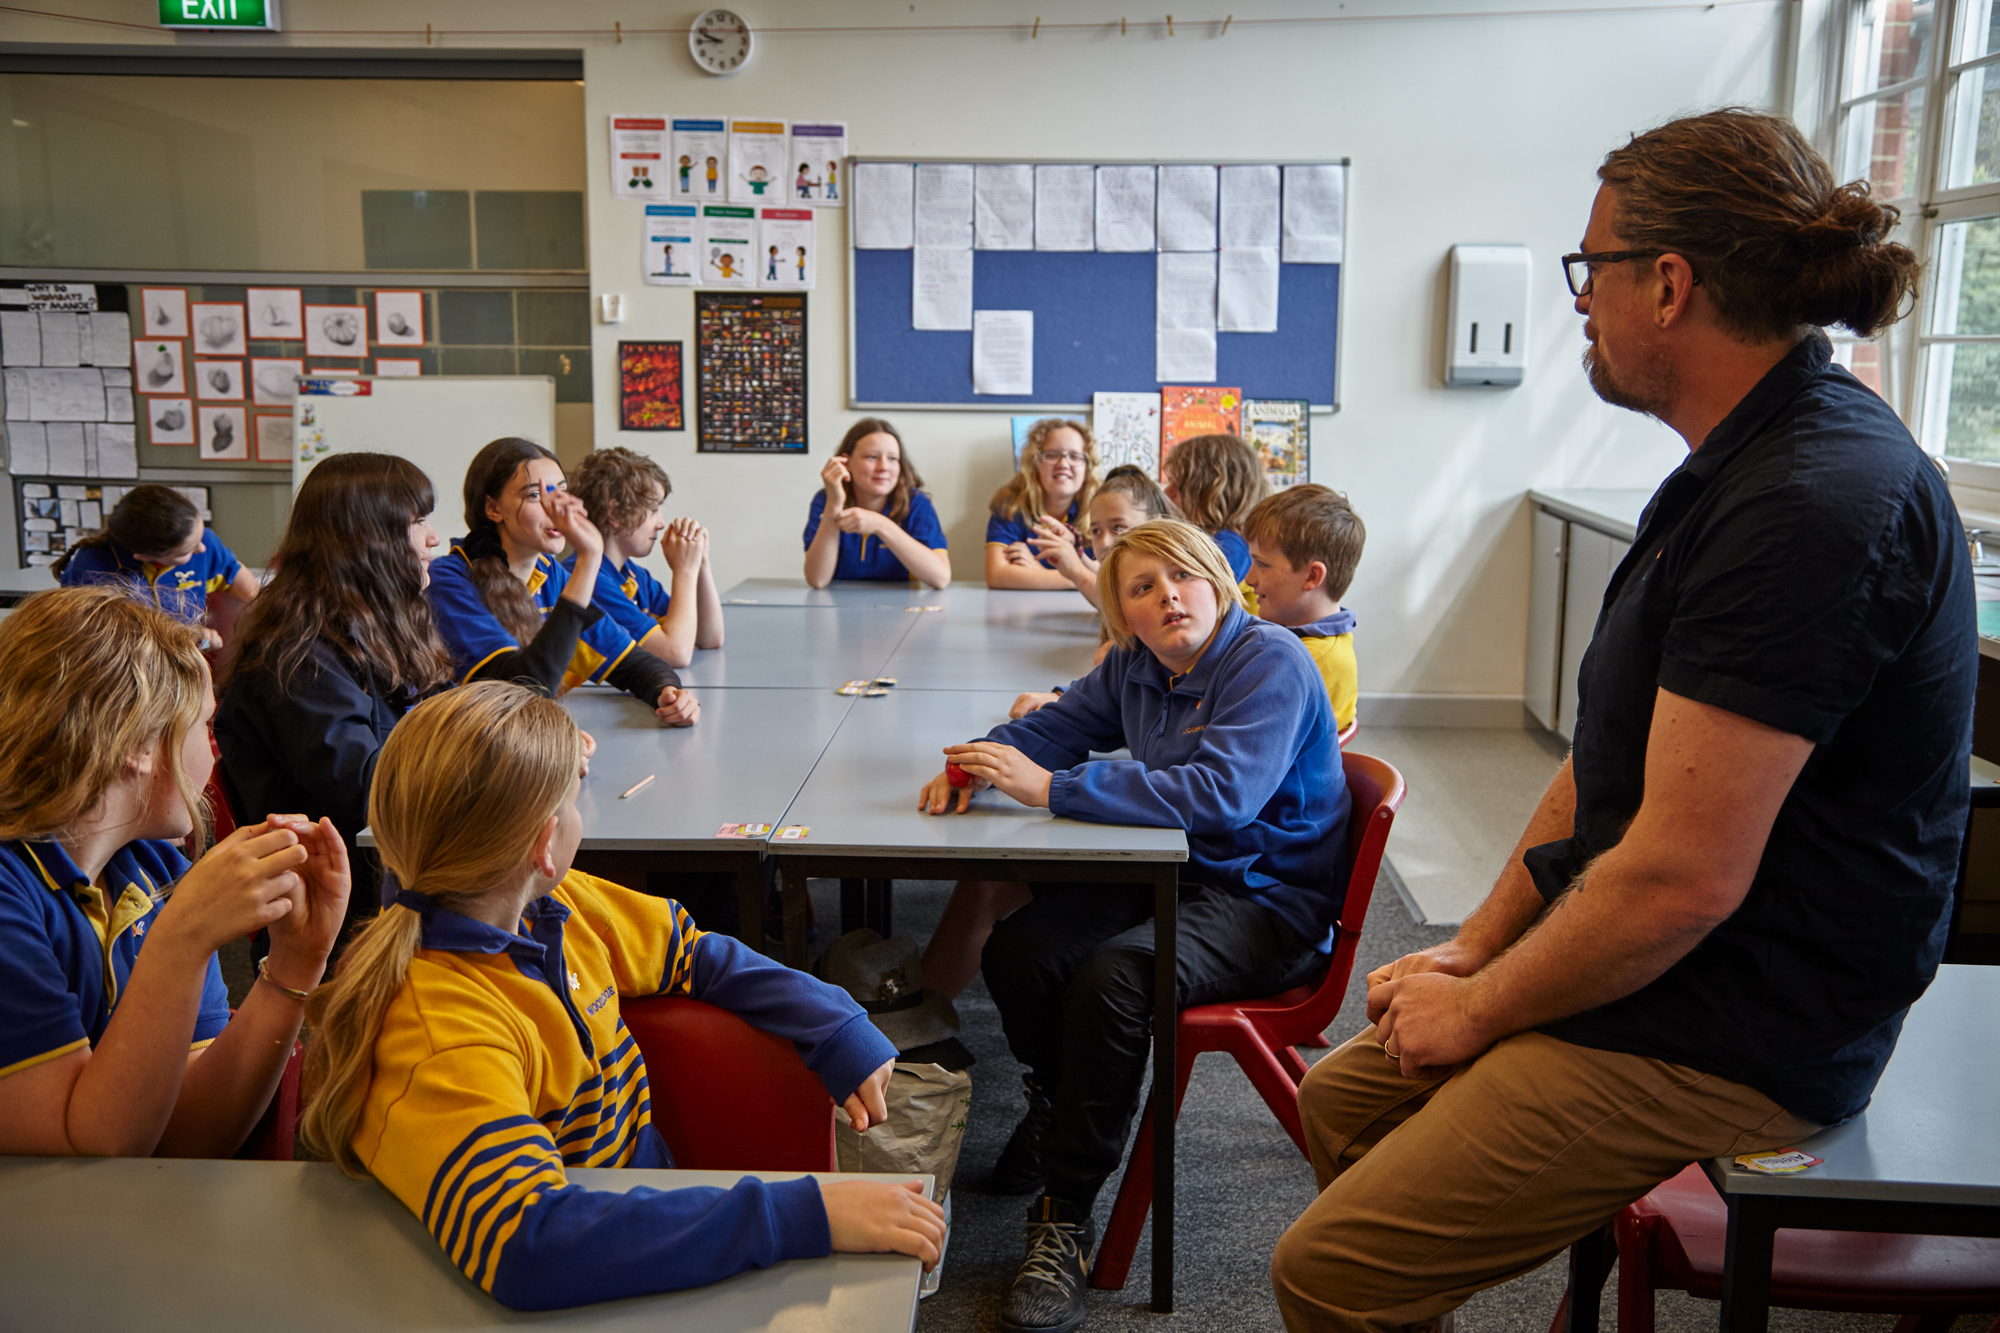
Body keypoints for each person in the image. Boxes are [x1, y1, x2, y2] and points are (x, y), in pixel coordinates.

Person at [1271, 108, 1966, 1333]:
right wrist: (1471, 946)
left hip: (1741, 1025)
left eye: (1587, 266)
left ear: (1666, 283)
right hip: (1678, 964)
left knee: (1327, 1271)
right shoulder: (1733, 463)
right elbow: (1609, 769)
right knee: (1342, 1102)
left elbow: (1680, 880)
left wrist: (1482, 1008)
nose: (1576, 297)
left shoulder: (1812, 504)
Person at [298, 681, 946, 1311]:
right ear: (542, 846)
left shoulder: (556, 903)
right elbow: (528, 1241)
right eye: (576, 800)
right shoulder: (439, 1021)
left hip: (644, 1213)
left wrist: (833, 1022)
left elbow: (695, 952)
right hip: (586, 1266)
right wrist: (803, 1212)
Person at [921, 519, 1347, 1333]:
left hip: (1265, 900)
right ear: (1124, 615)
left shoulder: (1272, 661)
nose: (1167, 597)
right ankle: (1063, 1107)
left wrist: (1054, 790)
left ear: (1216, 581)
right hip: (1179, 876)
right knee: (1023, 948)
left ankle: (1066, 1210)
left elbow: (1222, 796)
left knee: (1112, 978)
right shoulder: (1136, 666)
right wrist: (972, 763)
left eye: (1180, 577)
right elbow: (1050, 730)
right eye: (1141, 589)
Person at [0, 586, 349, 1158]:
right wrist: (184, 937)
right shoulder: (10, 893)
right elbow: (88, 1156)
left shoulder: (152, 868)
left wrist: (297, 959)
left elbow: (190, 1136)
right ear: (137, 743)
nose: (214, 756)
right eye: (205, 729)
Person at [215, 453, 455, 933]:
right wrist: (485, 758)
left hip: (396, 878)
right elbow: (371, 793)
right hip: (344, 915)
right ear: (369, 541)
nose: (434, 539)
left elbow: (449, 711)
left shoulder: (373, 627)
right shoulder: (297, 655)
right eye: (419, 522)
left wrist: (523, 744)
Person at [426, 437, 699, 727]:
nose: (555, 509)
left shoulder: (549, 574)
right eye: (535, 495)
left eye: (561, 494)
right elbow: (521, 692)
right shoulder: (450, 579)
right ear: (493, 508)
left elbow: (633, 663)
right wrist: (589, 558)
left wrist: (668, 692)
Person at [996, 465, 1181, 728]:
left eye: (1118, 527)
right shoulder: (1120, 578)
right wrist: (1065, 696)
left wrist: (1074, 567)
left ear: (1154, 524)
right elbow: (1115, 683)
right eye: (1095, 530)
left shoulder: (1165, 598)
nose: (1104, 541)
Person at [565, 446, 724, 670]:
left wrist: (701, 563)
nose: (661, 523)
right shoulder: (587, 579)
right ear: (615, 513)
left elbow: (709, 637)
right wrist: (684, 571)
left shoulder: (634, 575)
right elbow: (676, 653)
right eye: (653, 510)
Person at [55, 482, 260, 648]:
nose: (202, 549)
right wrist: (182, 634)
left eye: (200, 534)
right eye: (186, 551)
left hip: (183, 665)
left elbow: (234, 575)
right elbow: (101, 641)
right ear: (145, 555)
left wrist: (265, 613)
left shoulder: (204, 541)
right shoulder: (92, 571)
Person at [1242, 484, 1366, 734]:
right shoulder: (1292, 624)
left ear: (1312, 576)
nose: (1249, 578)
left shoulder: (1304, 661)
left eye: (1262, 565)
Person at [804, 418, 951, 588]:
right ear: (847, 462)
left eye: (893, 459)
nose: (883, 467)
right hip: (838, 608)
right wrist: (834, 505)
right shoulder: (825, 499)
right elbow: (818, 580)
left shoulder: (916, 503)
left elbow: (941, 578)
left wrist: (882, 525)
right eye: (872, 457)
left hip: (902, 607)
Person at [985, 418, 1101, 591]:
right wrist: (1080, 577)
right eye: (1052, 455)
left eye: (1075, 456)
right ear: (1036, 463)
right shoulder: (1011, 505)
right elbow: (996, 574)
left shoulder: (1103, 510)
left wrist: (1037, 571)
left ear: (1087, 469)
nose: (1063, 464)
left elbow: (1112, 578)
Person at [1160, 433, 1268, 586]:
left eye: (1178, 486)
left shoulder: (1228, 546)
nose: (1166, 492)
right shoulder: (1219, 541)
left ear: (1212, 493)